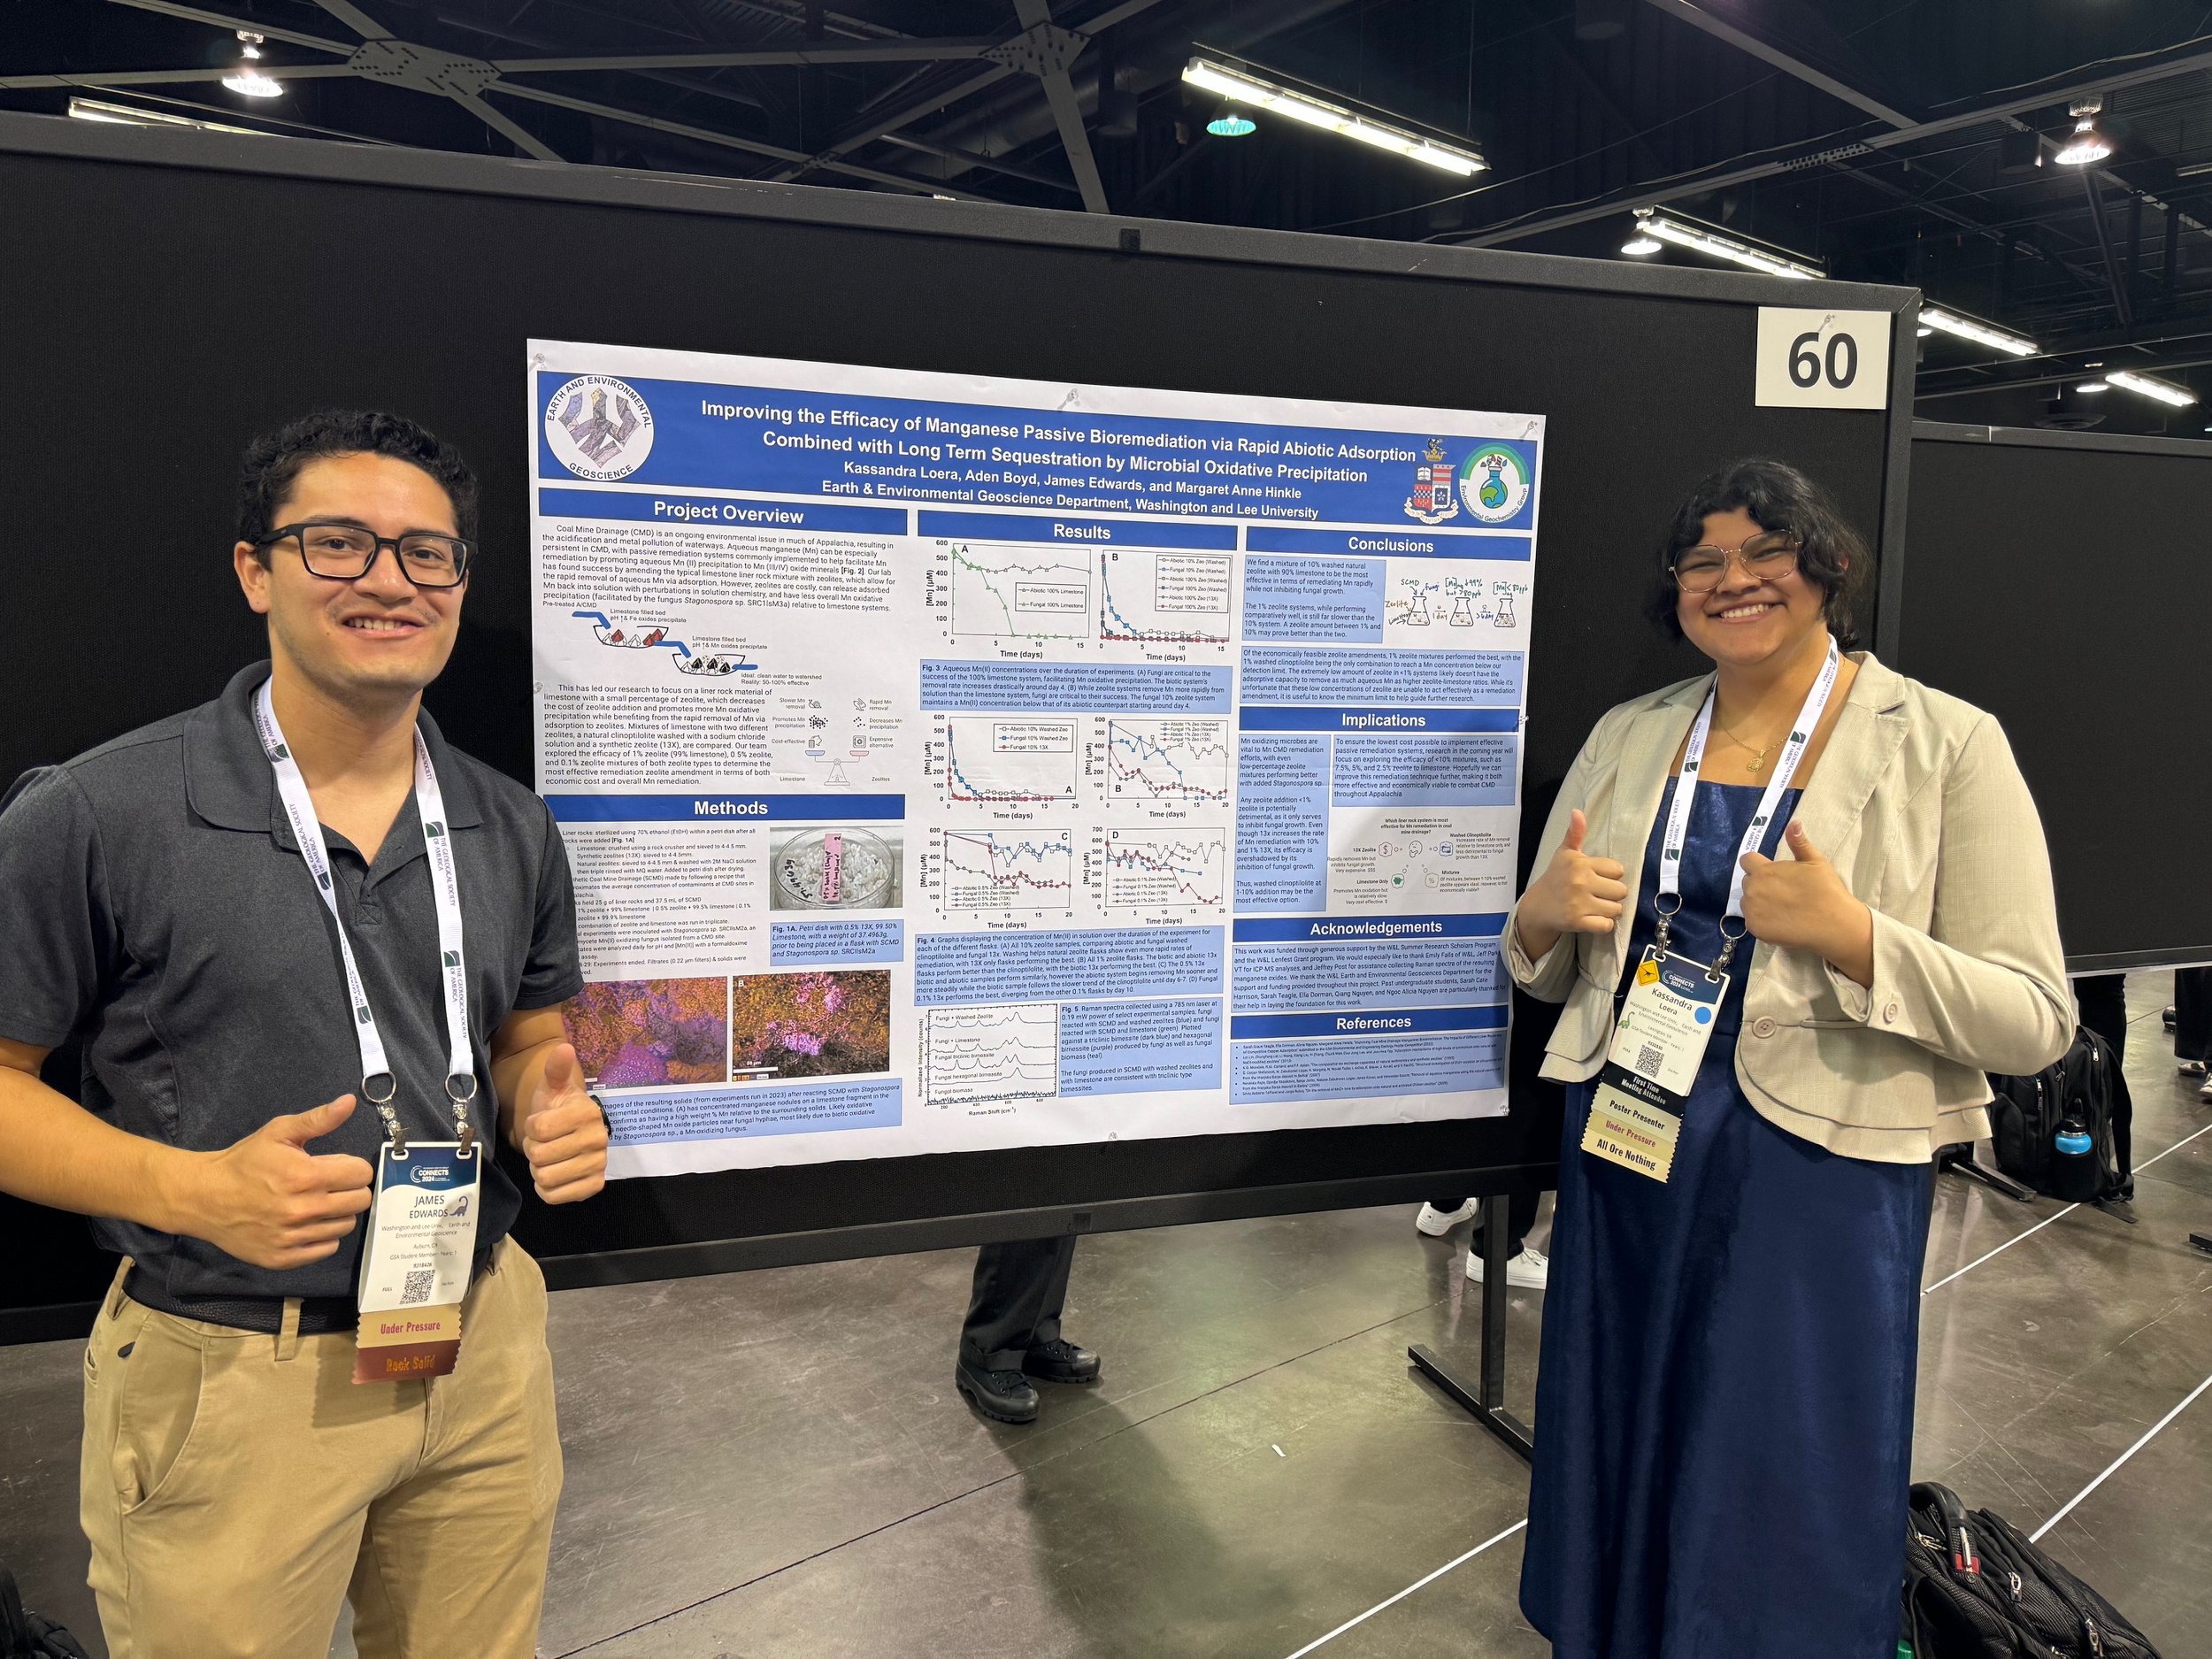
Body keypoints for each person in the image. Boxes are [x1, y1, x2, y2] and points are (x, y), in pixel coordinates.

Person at [0, 411, 609, 1659]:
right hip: (235, 1369)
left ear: (460, 583)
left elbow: (526, 1035)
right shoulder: (101, 812)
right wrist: (189, 1189)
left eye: (426, 553)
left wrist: (546, 1102)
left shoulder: (508, 822)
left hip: (478, 1341)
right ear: (255, 570)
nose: (389, 579)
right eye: (338, 543)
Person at [1505, 458, 2070, 1658]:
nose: (1735, 579)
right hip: (1630, 1134)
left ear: (1828, 567)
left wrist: (1858, 937)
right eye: (1703, 560)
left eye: (1767, 551)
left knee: (1783, 1454)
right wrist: (1539, 919)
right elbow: (1543, 966)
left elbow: (2034, 1018)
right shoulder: (1631, 733)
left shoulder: (1946, 742)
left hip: (1821, 1168)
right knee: (1616, 1418)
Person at [955, 1239, 1102, 1424]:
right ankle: (986, 1353)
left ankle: (1036, 1335)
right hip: (987, 1348)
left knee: (1058, 1225)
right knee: (1021, 1225)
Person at [1411, 1189, 1550, 1288]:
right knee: (1516, 1157)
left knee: (1472, 1154)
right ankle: (1499, 1250)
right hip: (1495, 1253)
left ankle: (1444, 1205)